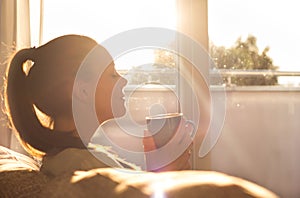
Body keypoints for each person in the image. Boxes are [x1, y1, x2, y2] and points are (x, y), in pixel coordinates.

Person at [4, 34, 192, 173]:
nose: (123, 81)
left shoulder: (78, 159)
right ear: (83, 91)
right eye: (112, 74)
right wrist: (164, 171)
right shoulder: (80, 167)